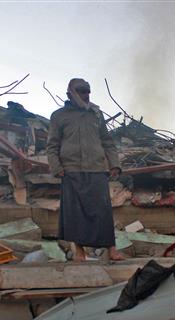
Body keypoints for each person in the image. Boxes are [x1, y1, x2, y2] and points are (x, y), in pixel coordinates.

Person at [47, 78, 125, 261]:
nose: (86, 95)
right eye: (81, 91)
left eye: (88, 91)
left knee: (103, 212)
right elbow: (52, 145)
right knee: (75, 214)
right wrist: (56, 167)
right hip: (71, 170)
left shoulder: (96, 115)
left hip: (97, 169)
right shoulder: (59, 116)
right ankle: (79, 253)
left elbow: (107, 141)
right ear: (70, 94)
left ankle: (112, 250)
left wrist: (114, 164)